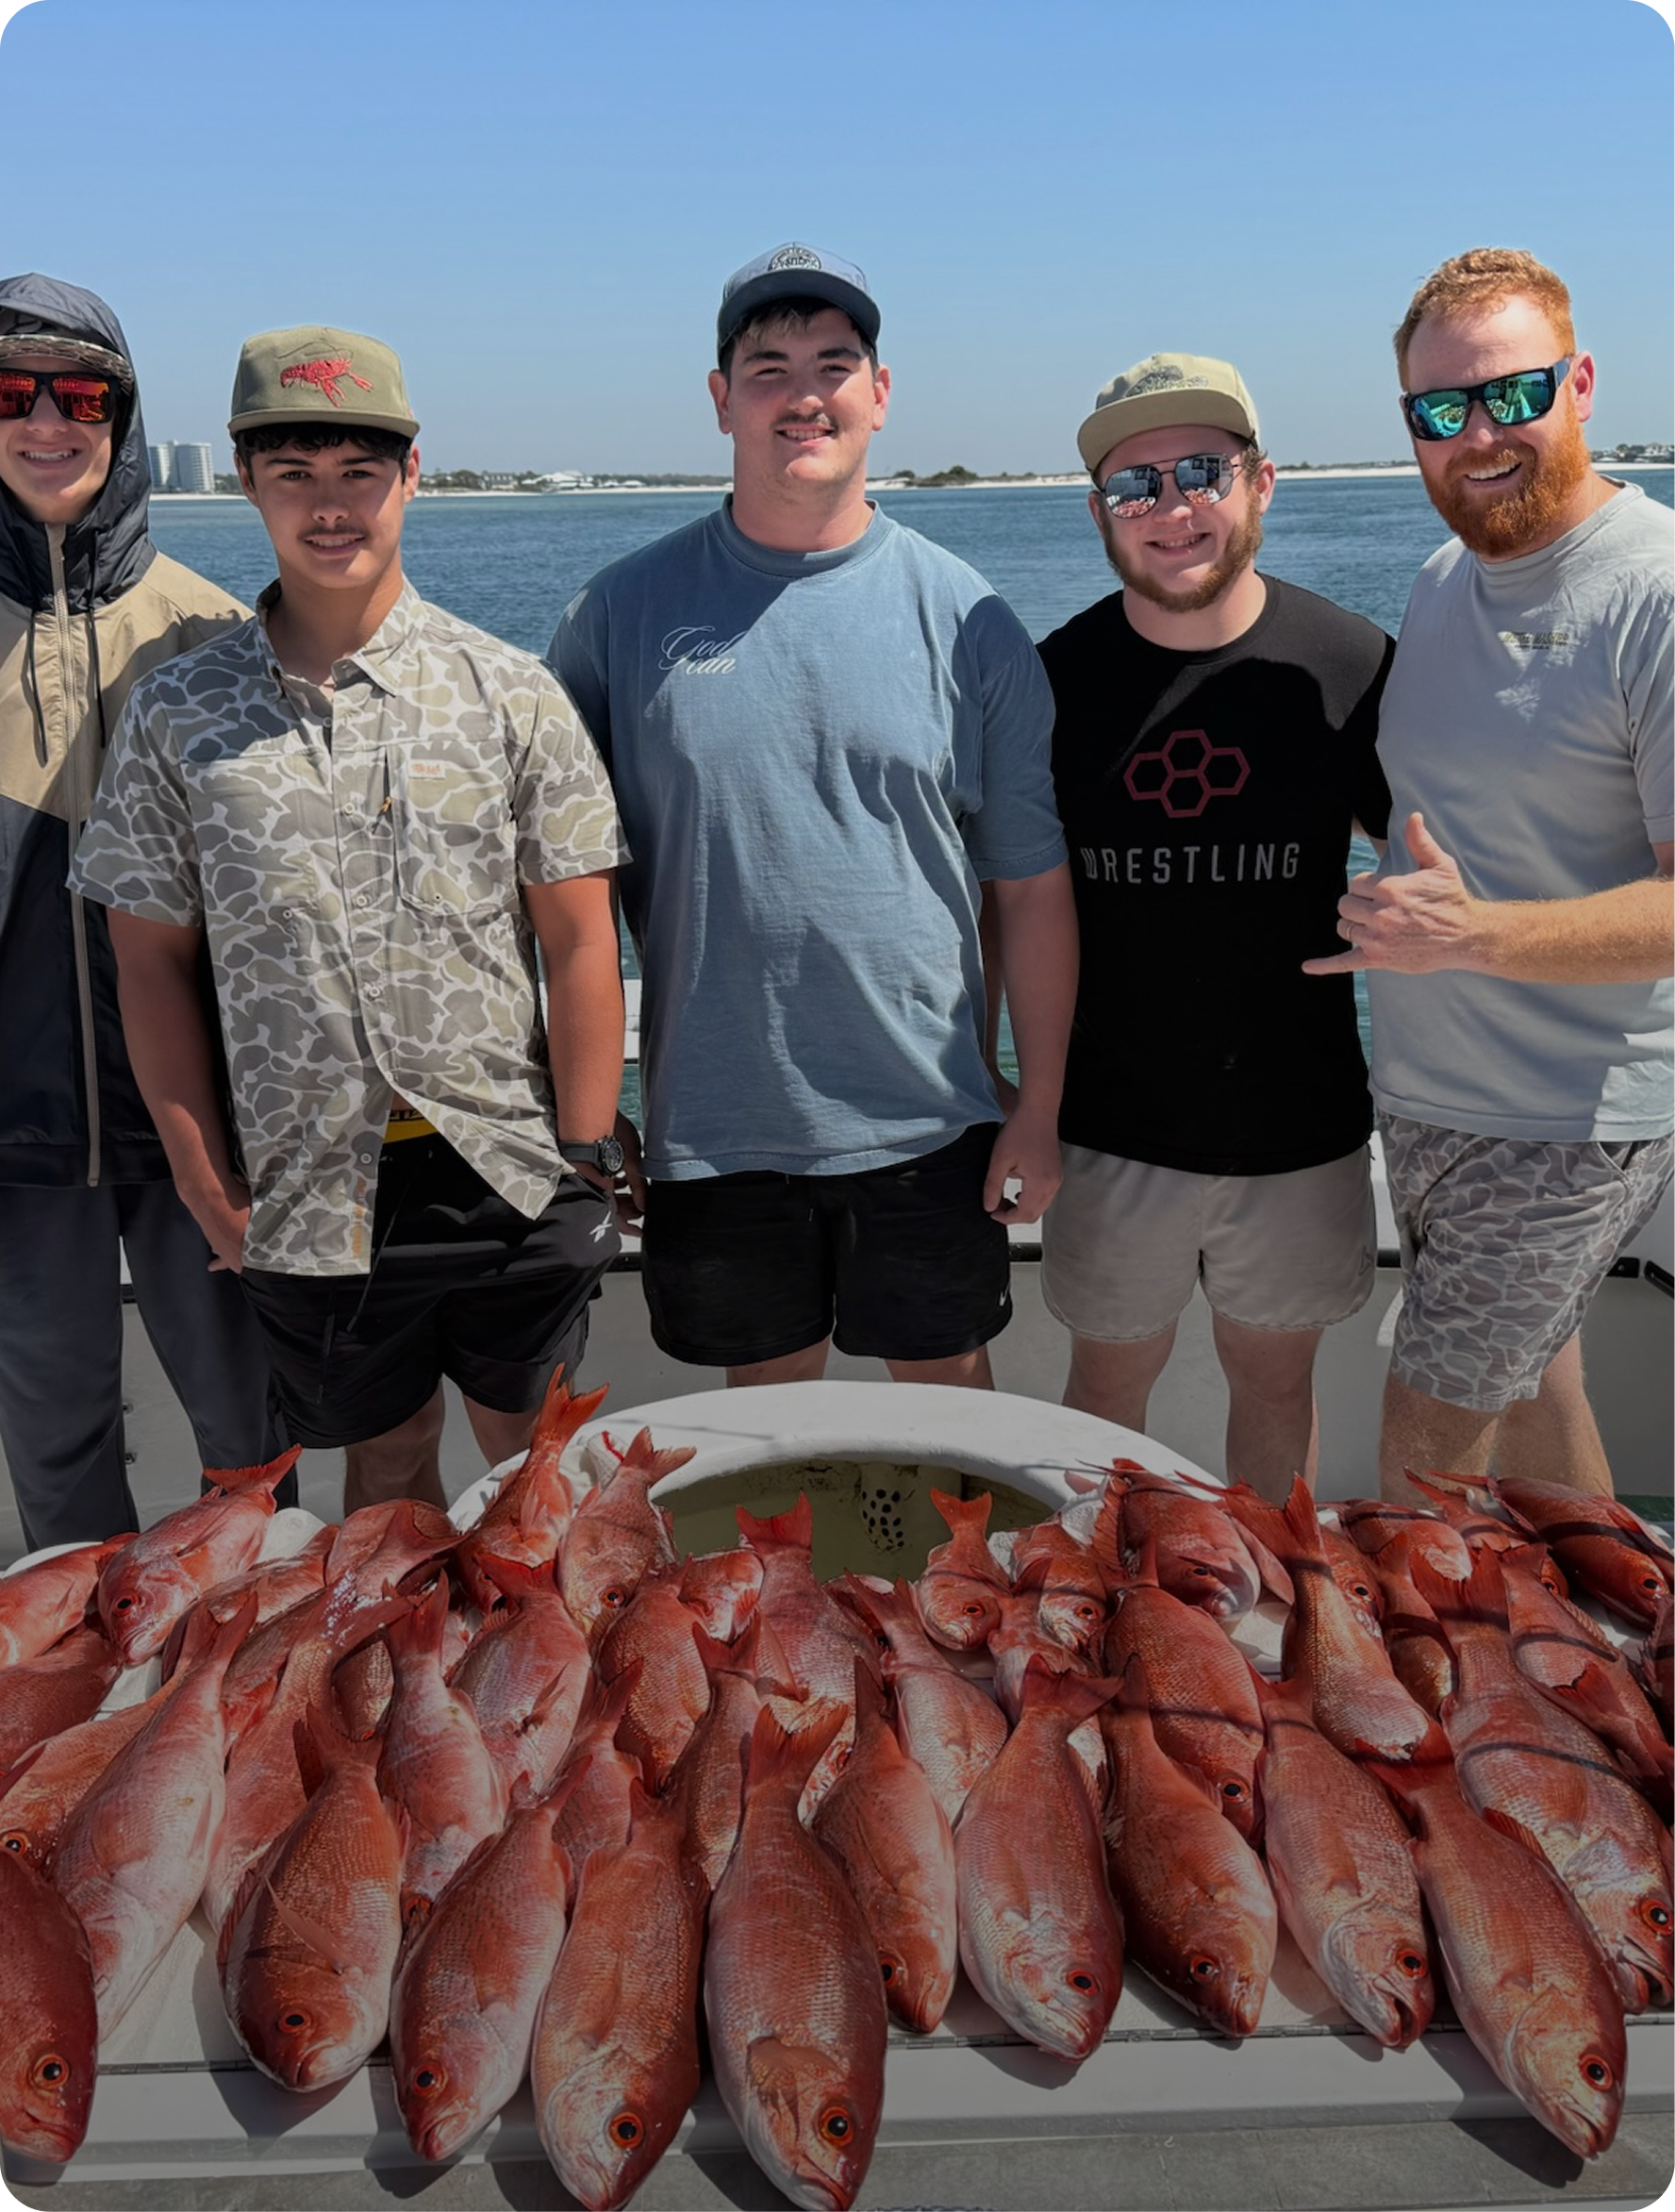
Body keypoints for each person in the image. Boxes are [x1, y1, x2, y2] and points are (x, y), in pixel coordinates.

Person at [71, 324, 627, 1513]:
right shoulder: (177, 712)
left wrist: (584, 1160)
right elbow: (151, 965)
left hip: (509, 1168)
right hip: (307, 1189)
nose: (331, 508)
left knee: (542, 1471)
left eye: (358, 473)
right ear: (244, 481)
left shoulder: (510, 691)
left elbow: (581, 937)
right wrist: (205, 1183)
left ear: (410, 473)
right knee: (384, 1463)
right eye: (294, 475)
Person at [549, 243, 1076, 1389]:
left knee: (951, 1438)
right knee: (770, 1451)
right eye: (768, 365)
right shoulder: (618, 615)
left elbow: (1028, 889)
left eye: (835, 364)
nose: (803, 393)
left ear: (879, 394)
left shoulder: (971, 619)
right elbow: (561, 896)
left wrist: (1036, 1105)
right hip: (716, 1130)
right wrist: (584, 1105)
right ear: (721, 398)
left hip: (932, 1121)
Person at [1304, 248, 1675, 1501]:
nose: (1477, 436)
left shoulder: (1656, 590)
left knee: (1420, 1469)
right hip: (1432, 1097)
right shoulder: (1443, 579)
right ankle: (1617, 1670)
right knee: (1542, 1391)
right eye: (1438, 411)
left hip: (1567, 1119)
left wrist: (1475, 935)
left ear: (1577, 383)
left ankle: (1460, 1703)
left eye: (1509, 396)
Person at [1033, 354, 1392, 1497]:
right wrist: (1018, 1104)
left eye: (1202, 470)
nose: (1173, 506)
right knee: (1104, 1392)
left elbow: (1446, 864)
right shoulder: (1052, 682)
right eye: (1135, 485)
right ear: (1099, 514)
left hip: (1300, 1127)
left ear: (1263, 482)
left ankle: (1274, 1625)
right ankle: (1095, 1623)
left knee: (1278, 1386)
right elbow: (1009, 910)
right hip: (1109, 1132)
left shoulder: (1353, 663)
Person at [0, 273, 282, 1553]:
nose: (49, 421)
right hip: (16, 1146)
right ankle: (97, 1729)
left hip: (201, 1134)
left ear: (122, 417)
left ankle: (260, 1714)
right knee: (55, 1450)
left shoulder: (219, 634)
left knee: (252, 1440)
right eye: (13, 394)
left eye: (82, 395)